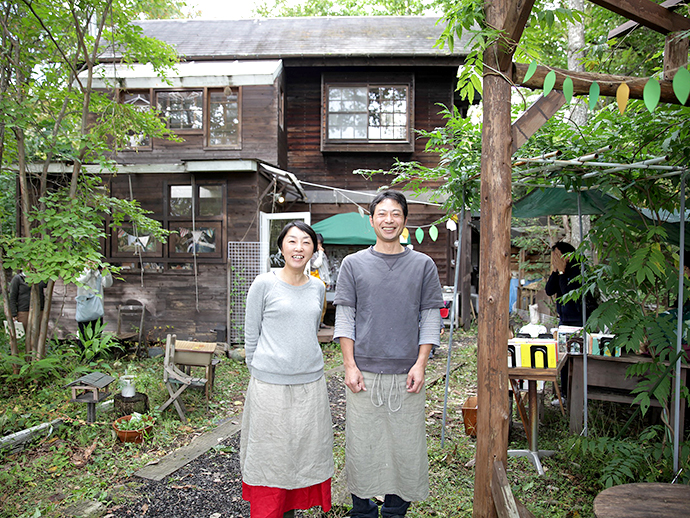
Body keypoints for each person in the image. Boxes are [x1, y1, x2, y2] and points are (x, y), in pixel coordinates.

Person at [333, 190, 444, 518]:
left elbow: (430, 316)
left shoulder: (422, 264)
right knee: (362, 445)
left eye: (396, 213)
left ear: (405, 221)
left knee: (404, 447)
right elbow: (345, 317)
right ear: (372, 220)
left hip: (407, 372)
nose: (389, 220)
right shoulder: (353, 265)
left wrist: (422, 364)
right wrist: (349, 365)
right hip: (363, 373)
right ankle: (363, 510)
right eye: (382, 214)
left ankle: (395, 511)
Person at [241, 220, 334, 518]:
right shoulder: (264, 283)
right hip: (269, 385)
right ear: (281, 247)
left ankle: (292, 508)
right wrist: (259, 367)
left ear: (314, 249)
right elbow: (250, 333)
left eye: (305, 242)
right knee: (271, 452)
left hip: (310, 383)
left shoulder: (318, 288)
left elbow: (309, 330)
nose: (298, 248)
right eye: (292, 241)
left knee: (304, 449)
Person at [545, 241, 597, 403]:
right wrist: (556, 272)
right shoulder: (560, 271)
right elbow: (549, 290)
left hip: (580, 322)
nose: (555, 259)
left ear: (567, 255)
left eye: (557, 255)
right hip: (565, 322)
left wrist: (561, 272)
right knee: (564, 359)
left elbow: (569, 295)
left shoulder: (578, 270)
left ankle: (581, 397)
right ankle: (565, 395)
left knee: (579, 360)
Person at [75, 265, 113, 345]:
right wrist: (89, 271)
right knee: (83, 335)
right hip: (84, 310)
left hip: (96, 310)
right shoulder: (81, 272)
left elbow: (108, 284)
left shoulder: (98, 274)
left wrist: (106, 273)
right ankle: (83, 356)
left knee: (97, 335)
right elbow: (80, 281)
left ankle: (95, 356)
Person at [310, 233, 331, 327]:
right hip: (314, 280)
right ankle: (315, 323)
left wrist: (328, 281)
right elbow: (315, 264)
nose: (319, 245)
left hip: (322, 280)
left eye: (320, 243)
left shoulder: (322, 254)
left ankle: (321, 322)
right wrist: (321, 253)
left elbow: (326, 269)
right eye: (317, 243)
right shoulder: (311, 253)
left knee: (323, 303)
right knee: (315, 303)